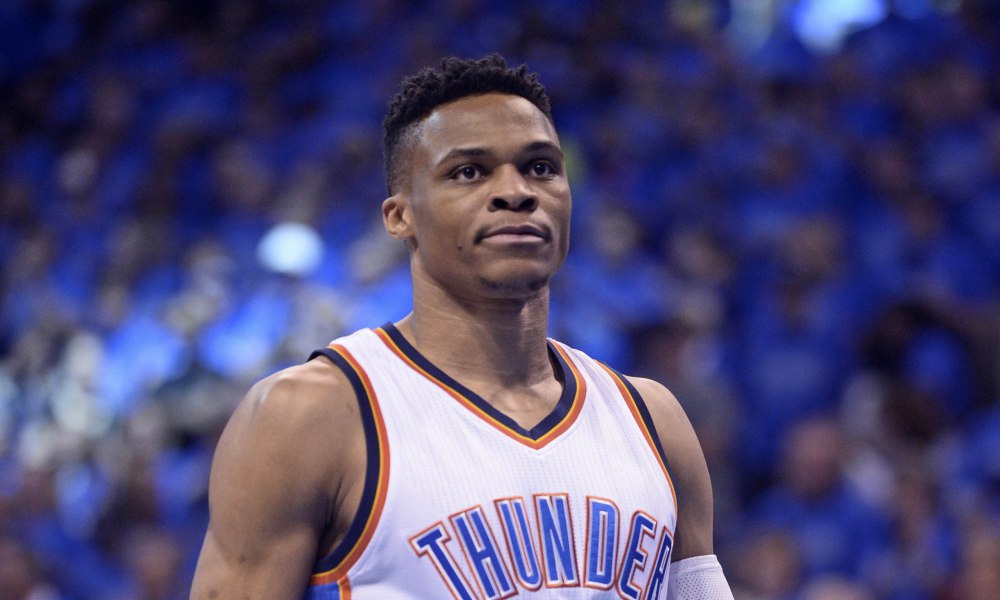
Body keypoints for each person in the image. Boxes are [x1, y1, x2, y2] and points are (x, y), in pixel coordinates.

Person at [190, 54, 734, 599]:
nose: (516, 191)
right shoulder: (310, 417)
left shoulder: (652, 421)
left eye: (541, 167)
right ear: (399, 216)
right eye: (469, 172)